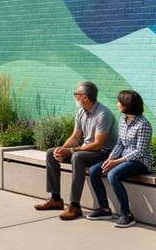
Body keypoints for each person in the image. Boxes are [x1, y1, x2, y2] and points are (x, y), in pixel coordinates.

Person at [33, 80, 116, 220]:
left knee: (77, 157)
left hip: (103, 153)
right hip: (86, 150)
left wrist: (71, 152)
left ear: (85, 97)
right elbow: (75, 137)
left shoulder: (103, 114)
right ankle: (56, 199)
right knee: (51, 153)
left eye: (76, 94)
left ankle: (75, 206)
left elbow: (98, 144)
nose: (75, 97)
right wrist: (62, 149)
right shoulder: (81, 112)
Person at [86, 90, 152, 228]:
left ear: (127, 105)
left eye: (119, 102)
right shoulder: (123, 120)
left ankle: (126, 214)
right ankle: (104, 209)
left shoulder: (143, 124)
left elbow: (139, 151)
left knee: (113, 174)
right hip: (123, 159)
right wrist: (110, 158)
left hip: (140, 162)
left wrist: (116, 162)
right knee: (94, 171)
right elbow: (120, 143)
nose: (117, 104)